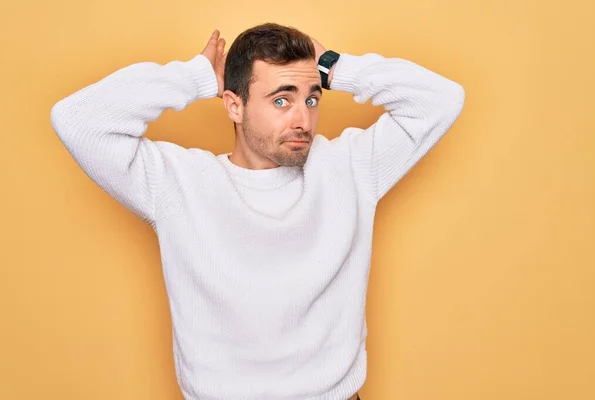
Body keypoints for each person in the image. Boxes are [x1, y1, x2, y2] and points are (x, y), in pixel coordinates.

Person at [51, 22, 464, 400]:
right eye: (281, 100)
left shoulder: (351, 166)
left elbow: (443, 100)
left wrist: (337, 67)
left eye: (312, 98)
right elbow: (77, 120)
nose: (303, 119)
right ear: (234, 105)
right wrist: (194, 78)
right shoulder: (179, 183)